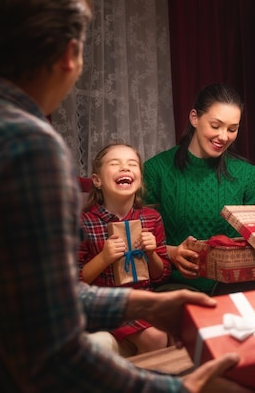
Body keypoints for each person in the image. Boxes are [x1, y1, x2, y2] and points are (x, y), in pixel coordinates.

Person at [0, 0, 247, 391]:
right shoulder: (28, 145)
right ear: (70, 54)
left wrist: (143, 301)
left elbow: (38, 298)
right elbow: (49, 348)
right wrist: (173, 388)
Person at [144, 83, 255, 295]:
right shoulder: (156, 170)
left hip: (234, 286)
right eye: (215, 125)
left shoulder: (248, 175)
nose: (223, 136)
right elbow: (138, 237)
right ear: (194, 118)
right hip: (175, 286)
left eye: (232, 129)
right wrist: (171, 253)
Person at [79, 143, 174, 353]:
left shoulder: (152, 218)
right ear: (97, 180)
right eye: (115, 164)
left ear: (139, 180)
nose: (125, 168)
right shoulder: (82, 223)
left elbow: (162, 275)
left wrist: (151, 254)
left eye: (132, 164)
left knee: (172, 329)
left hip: (141, 300)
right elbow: (74, 282)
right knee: (155, 337)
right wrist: (104, 258)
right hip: (103, 304)